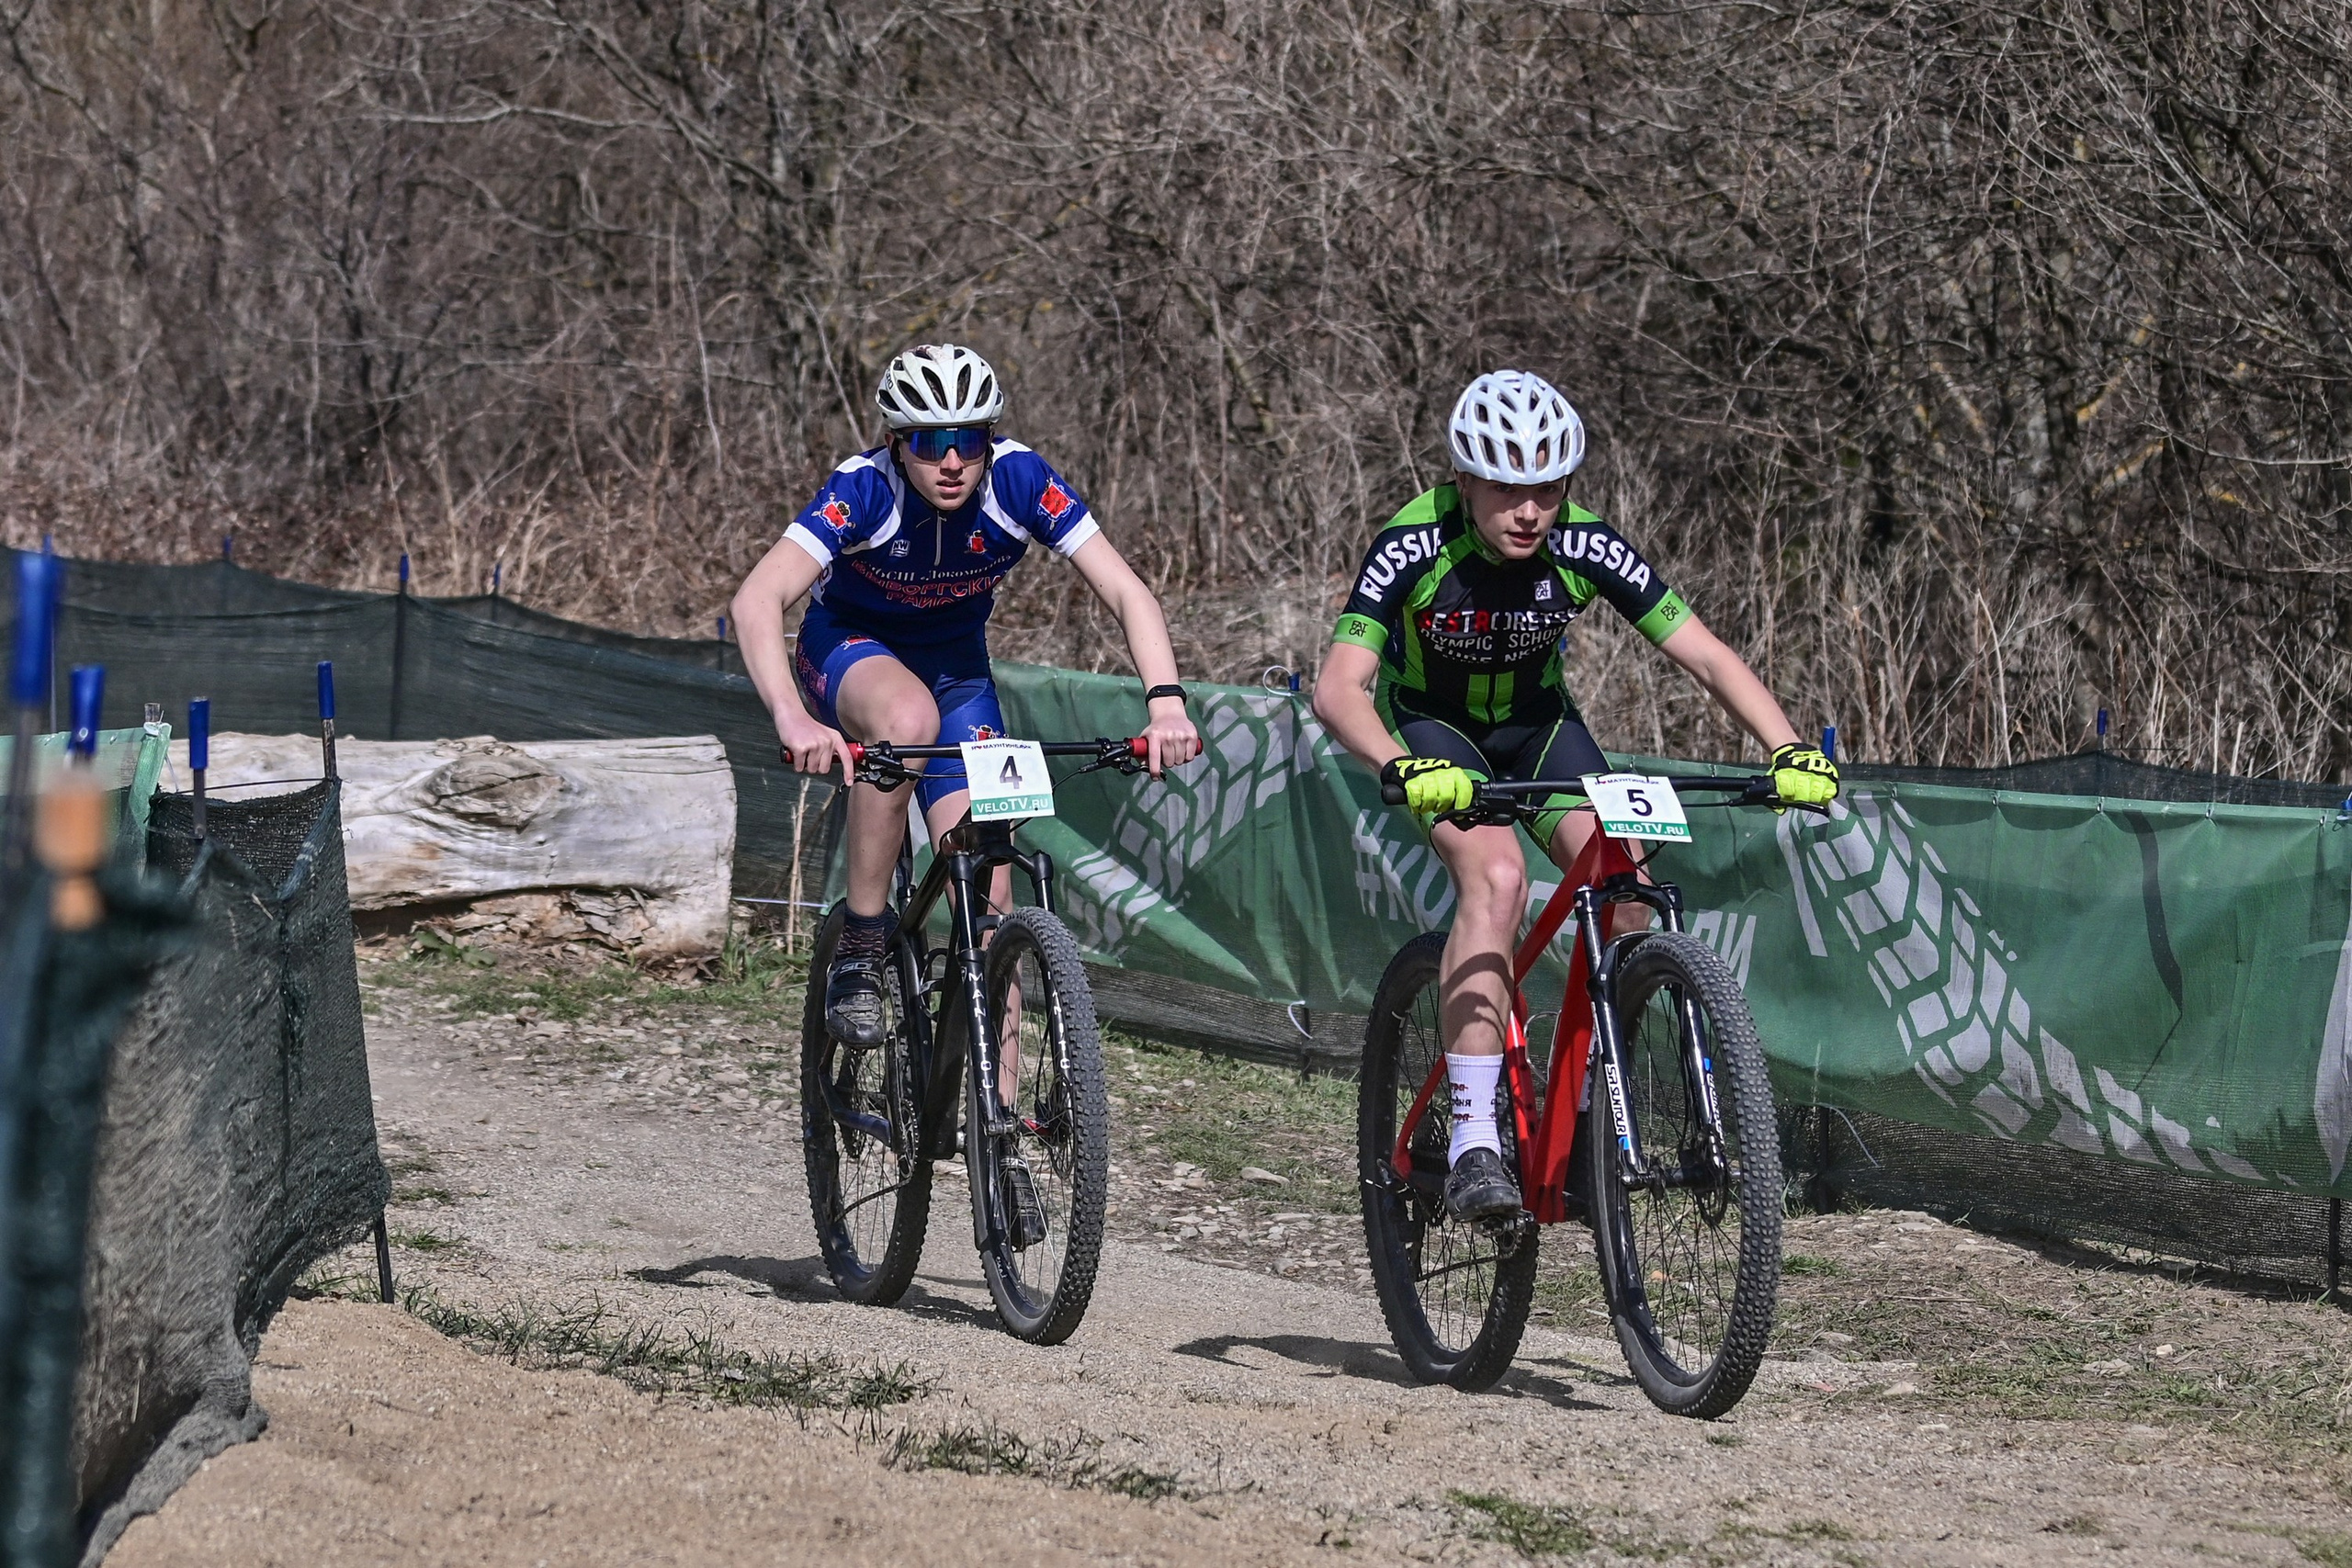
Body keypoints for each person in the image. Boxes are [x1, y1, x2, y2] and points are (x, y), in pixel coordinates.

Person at [1310, 369, 1838, 1222]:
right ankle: (1478, 1134)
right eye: (1507, 488)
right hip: (1435, 734)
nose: (1528, 510)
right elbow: (1338, 687)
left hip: (1539, 727)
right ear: (1464, 481)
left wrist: (1785, 746)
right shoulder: (1413, 541)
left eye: (1547, 489)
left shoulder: (1585, 544)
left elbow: (1702, 652)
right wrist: (1397, 763)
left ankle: (1594, 1113)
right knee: (1498, 880)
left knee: (1625, 885)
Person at [731, 344, 1202, 1043]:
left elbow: (1127, 590)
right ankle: (862, 947)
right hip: (851, 650)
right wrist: (791, 716)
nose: (951, 461)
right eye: (929, 442)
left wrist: (1165, 702)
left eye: (969, 439)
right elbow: (757, 598)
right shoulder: (864, 489)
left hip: (958, 672)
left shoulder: (1018, 480)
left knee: (991, 879)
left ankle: (996, 1129)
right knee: (905, 715)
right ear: (896, 442)